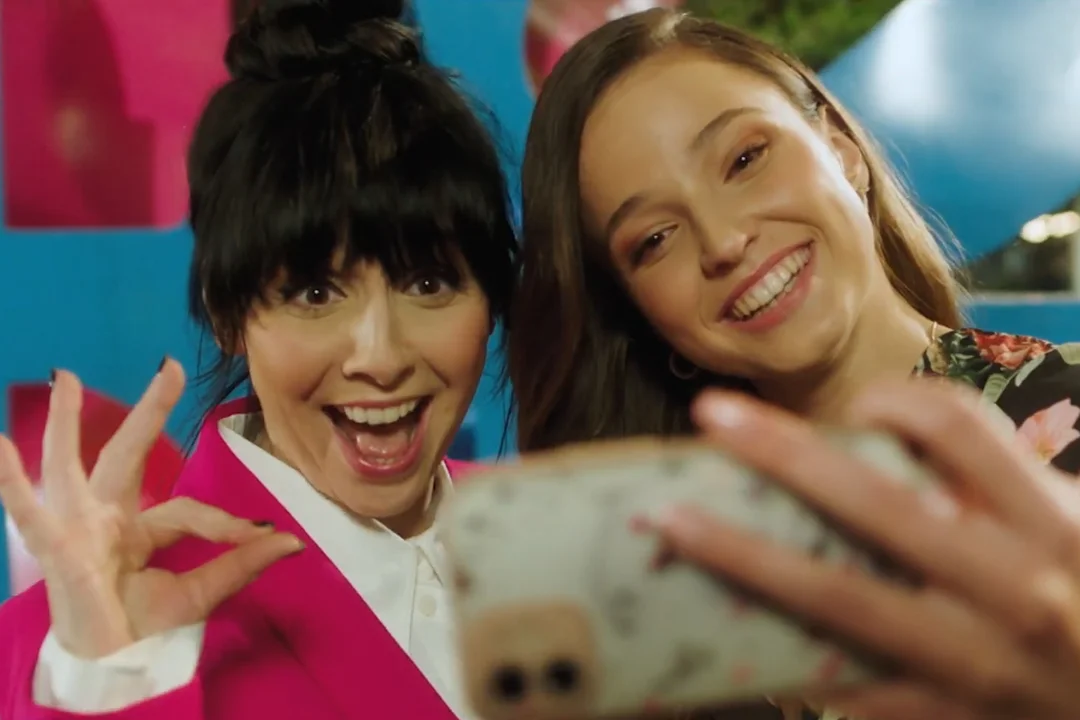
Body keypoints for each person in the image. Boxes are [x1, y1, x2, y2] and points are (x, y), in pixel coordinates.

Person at [506, 6, 1080, 718]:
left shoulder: (1062, 411)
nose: (723, 241)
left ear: (839, 148)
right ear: (639, 313)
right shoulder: (662, 581)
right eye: (653, 239)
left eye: (745, 160)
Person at [0, 0, 516, 718]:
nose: (381, 357)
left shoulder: (555, 540)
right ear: (228, 313)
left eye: (428, 283)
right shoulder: (69, 653)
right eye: (315, 293)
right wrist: (111, 684)